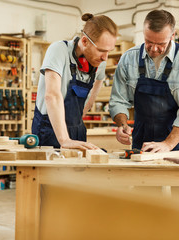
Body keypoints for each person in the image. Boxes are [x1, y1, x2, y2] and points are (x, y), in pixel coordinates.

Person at [109, 9, 179, 153]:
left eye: (160, 43)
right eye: (148, 41)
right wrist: (122, 125)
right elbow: (118, 100)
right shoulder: (128, 59)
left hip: (178, 145)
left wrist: (167, 145)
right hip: (142, 143)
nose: (153, 49)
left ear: (173, 35)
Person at [32, 13, 118, 150]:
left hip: (77, 130)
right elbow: (52, 96)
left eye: (109, 51)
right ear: (84, 41)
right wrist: (65, 139)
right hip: (50, 131)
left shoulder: (98, 63)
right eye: (101, 50)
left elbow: (91, 97)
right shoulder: (58, 50)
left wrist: (75, 123)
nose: (105, 58)